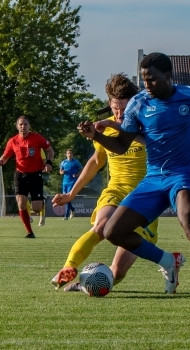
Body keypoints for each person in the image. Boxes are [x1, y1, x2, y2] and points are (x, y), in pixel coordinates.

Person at [77, 53, 190, 300]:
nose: (147, 85)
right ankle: (168, 261)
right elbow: (121, 145)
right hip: (153, 178)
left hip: (183, 175)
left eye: (152, 79)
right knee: (112, 231)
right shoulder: (138, 104)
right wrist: (95, 135)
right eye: (144, 80)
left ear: (168, 76)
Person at [51, 73, 168, 292]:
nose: (119, 114)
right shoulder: (104, 130)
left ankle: (171, 262)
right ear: (109, 104)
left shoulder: (147, 124)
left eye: (124, 109)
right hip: (116, 190)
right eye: (115, 108)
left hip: (145, 198)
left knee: (117, 272)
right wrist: (71, 195)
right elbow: (95, 162)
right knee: (101, 227)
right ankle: (69, 267)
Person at [0, 116, 54, 238]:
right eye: (21, 124)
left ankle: (42, 204)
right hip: (20, 175)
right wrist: (0, 162)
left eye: (25, 124)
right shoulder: (12, 141)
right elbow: (5, 157)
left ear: (29, 126)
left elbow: (50, 151)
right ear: (17, 126)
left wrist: (48, 163)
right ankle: (29, 232)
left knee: (36, 208)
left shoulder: (37, 138)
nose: (23, 126)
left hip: (35, 175)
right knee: (21, 203)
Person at [58, 149, 82, 220]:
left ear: (73, 154)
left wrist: (77, 175)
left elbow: (81, 169)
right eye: (68, 153)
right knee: (65, 198)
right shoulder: (63, 162)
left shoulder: (76, 162)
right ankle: (73, 209)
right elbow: (60, 171)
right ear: (66, 154)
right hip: (65, 182)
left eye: (71, 153)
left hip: (72, 182)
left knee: (68, 197)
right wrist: (62, 172)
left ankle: (66, 216)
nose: (69, 155)